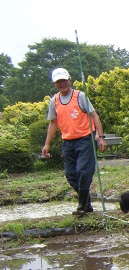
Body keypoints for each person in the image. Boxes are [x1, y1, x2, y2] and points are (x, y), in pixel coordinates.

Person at [42, 67, 107, 215]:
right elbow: (53, 123)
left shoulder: (80, 96)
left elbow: (94, 116)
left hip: (85, 139)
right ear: (54, 84)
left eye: (64, 80)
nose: (62, 83)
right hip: (68, 142)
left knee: (83, 172)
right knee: (71, 175)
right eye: (59, 82)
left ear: (69, 80)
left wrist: (101, 137)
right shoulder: (55, 101)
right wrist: (47, 144)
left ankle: (81, 207)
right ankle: (87, 204)